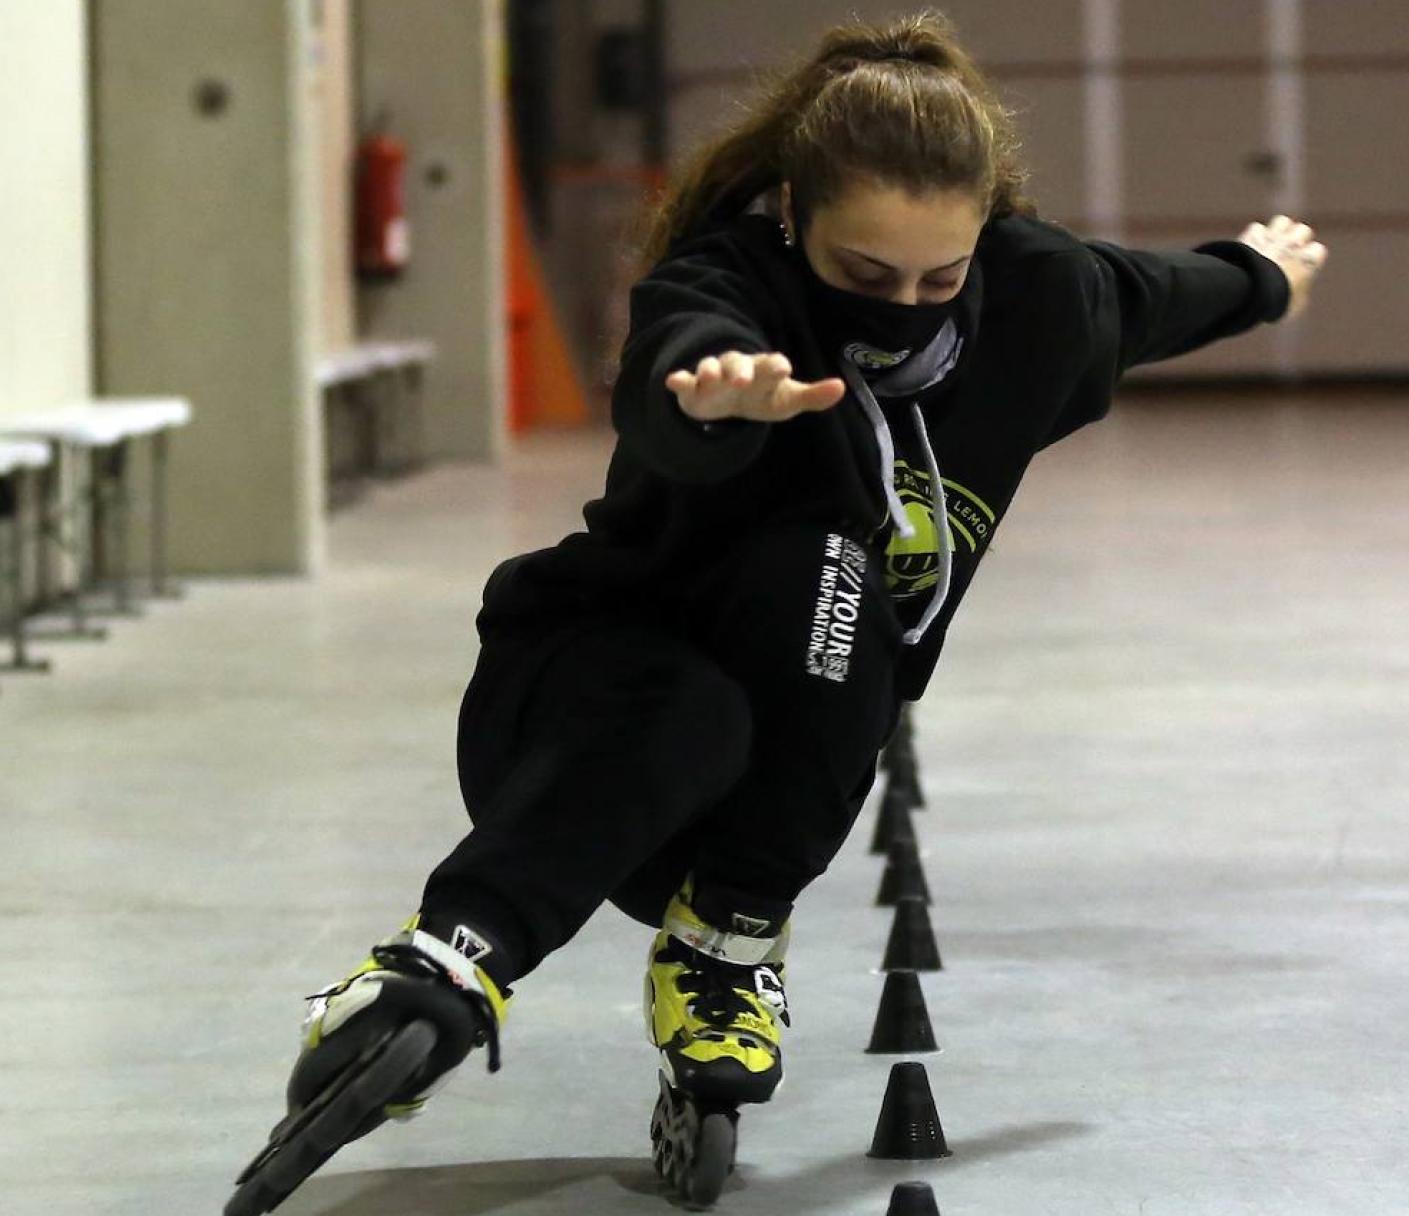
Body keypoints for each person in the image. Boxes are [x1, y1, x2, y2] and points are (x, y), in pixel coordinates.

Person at [229, 9, 1325, 1212]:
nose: (903, 305)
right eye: (864, 275)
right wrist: (714, 396)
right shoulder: (724, 281)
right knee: (755, 637)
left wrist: (1266, 276)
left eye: (939, 278)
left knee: (835, 593)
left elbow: (1172, 291)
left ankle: (726, 947)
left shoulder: (1042, 297)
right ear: (795, 216)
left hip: (784, 768)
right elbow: (676, 362)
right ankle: (442, 968)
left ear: (988, 238)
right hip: (581, 714)